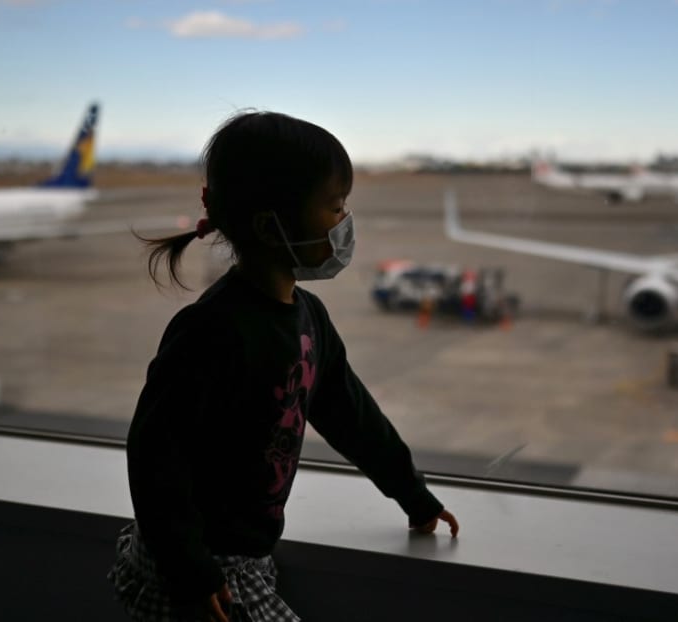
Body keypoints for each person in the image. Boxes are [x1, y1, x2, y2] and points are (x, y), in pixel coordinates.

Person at [107, 110, 460, 622]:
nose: (345, 224)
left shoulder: (308, 318)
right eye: (335, 208)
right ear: (269, 225)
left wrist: (410, 491)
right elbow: (155, 456)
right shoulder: (211, 331)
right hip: (199, 571)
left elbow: (350, 413)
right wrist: (191, 568)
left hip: (241, 559)